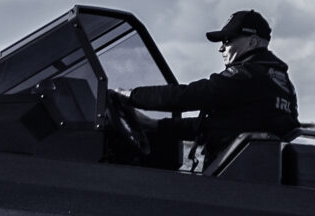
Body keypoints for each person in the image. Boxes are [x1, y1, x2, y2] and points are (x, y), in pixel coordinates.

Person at [125, 9, 298, 168]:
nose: (221, 48)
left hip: (233, 180)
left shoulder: (246, 76)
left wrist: (130, 95)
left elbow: (187, 96)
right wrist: (154, 124)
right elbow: (215, 126)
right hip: (251, 176)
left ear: (253, 41)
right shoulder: (280, 82)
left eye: (228, 40)